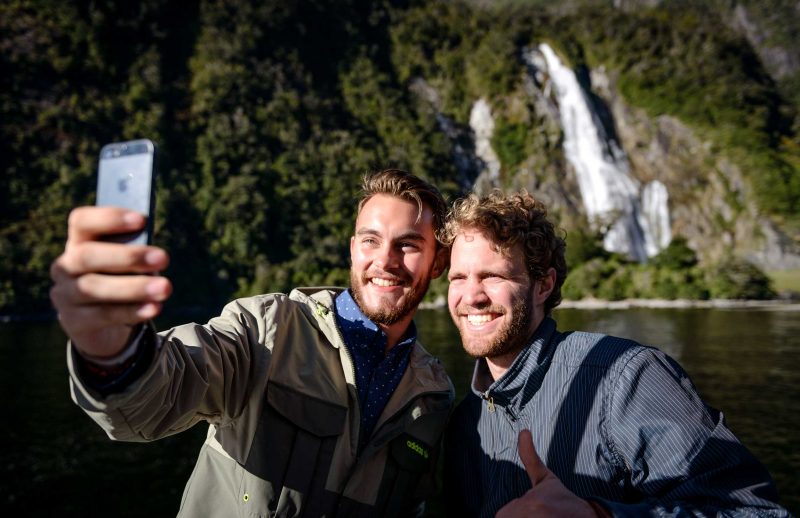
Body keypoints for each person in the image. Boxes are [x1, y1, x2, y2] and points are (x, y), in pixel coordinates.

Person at [49, 168, 454, 517]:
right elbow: (164, 390)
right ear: (352, 250)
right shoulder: (265, 329)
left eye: (408, 245)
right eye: (370, 240)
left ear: (437, 262)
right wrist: (116, 352)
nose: (384, 260)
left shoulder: (433, 395)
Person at [441, 190, 789, 517]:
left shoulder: (626, 377)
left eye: (492, 276)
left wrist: (600, 514)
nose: (471, 296)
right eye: (458, 278)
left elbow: (753, 510)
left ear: (543, 286)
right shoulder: (464, 424)